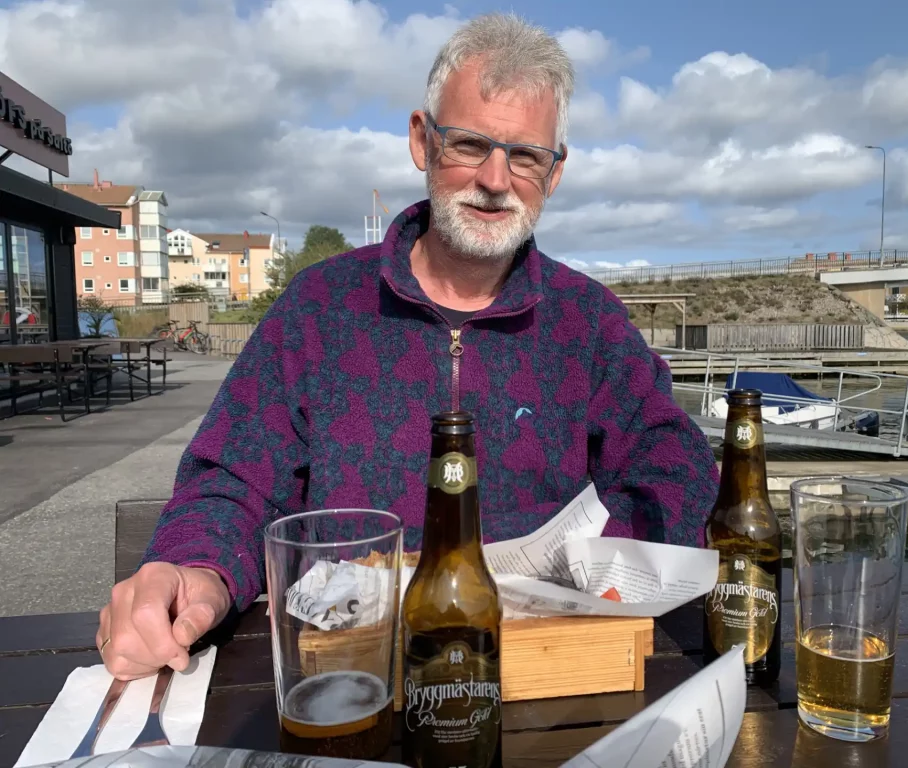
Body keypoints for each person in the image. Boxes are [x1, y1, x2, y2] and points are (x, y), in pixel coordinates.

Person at [97, 12, 719, 680]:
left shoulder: (589, 322)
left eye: (526, 156)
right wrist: (197, 571)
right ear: (423, 140)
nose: (496, 180)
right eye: (471, 145)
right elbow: (233, 479)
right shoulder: (317, 308)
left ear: (555, 172)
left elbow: (674, 462)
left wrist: (605, 567)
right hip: (344, 674)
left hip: (543, 675)